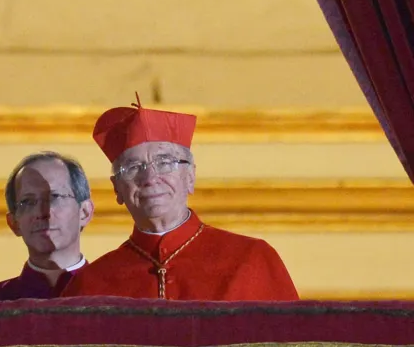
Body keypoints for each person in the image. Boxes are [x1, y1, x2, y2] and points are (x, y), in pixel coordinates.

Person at [62, 97, 300, 300]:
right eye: (133, 167)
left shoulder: (252, 260)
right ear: (117, 189)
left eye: (165, 163)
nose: (150, 178)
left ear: (190, 176)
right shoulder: (89, 286)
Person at [0, 152, 93, 300]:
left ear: (84, 212)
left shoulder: (119, 298)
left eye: (55, 197)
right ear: (14, 223)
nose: (43, 212)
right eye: (28, 202)